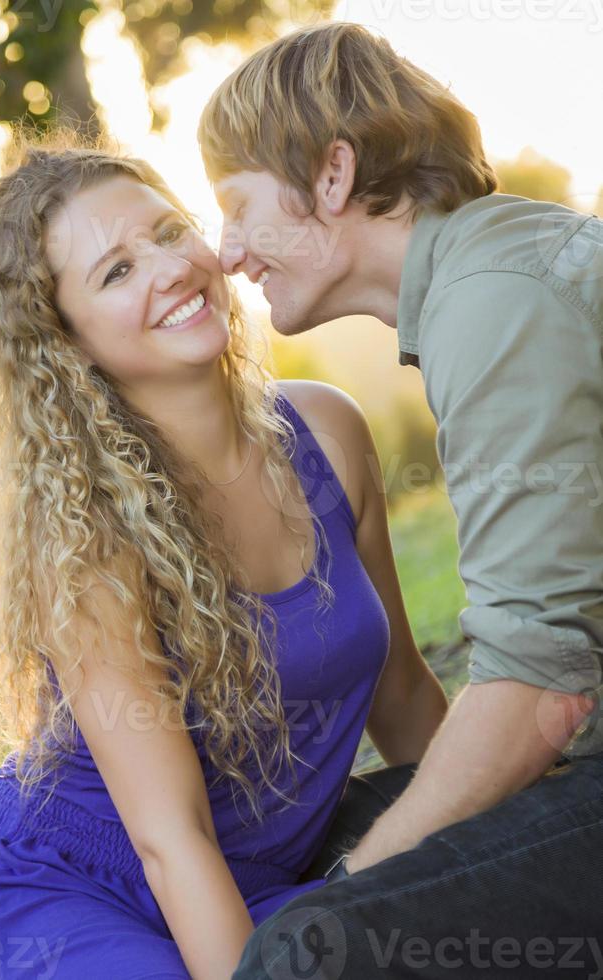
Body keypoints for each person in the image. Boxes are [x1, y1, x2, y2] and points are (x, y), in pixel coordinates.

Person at [0, 125, 447, 979]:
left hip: (254, 886)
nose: (171, 268)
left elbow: (400, 692)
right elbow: (168, 839)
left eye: (169, 231)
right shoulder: (90, 538)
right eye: (117, 271)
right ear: (67, 346)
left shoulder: (328, 432)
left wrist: (523, 829)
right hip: (73, 900)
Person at [197, 20, 603, 979]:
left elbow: (542, 688)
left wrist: (346, 893)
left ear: (331, 176)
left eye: (238, 205)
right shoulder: (487, 275)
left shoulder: (494, 300)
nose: (226, 252)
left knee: (310, 945)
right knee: (280, 853)